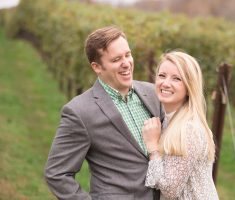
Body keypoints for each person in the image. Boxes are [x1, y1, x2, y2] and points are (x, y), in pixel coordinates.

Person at [44, 25, 164, 200]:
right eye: (116, 59)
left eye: (128, 55)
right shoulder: (79, 112)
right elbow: (56, 173)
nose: (126, 63)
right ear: (97, 67)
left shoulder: (153, 93)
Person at [142, 51, 219, 200]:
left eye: (176, 79)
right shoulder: (169, 119)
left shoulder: (189, 129)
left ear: (189, 87)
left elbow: (170, 189)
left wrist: (152, 147)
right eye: (162, 75)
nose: (165, 83)